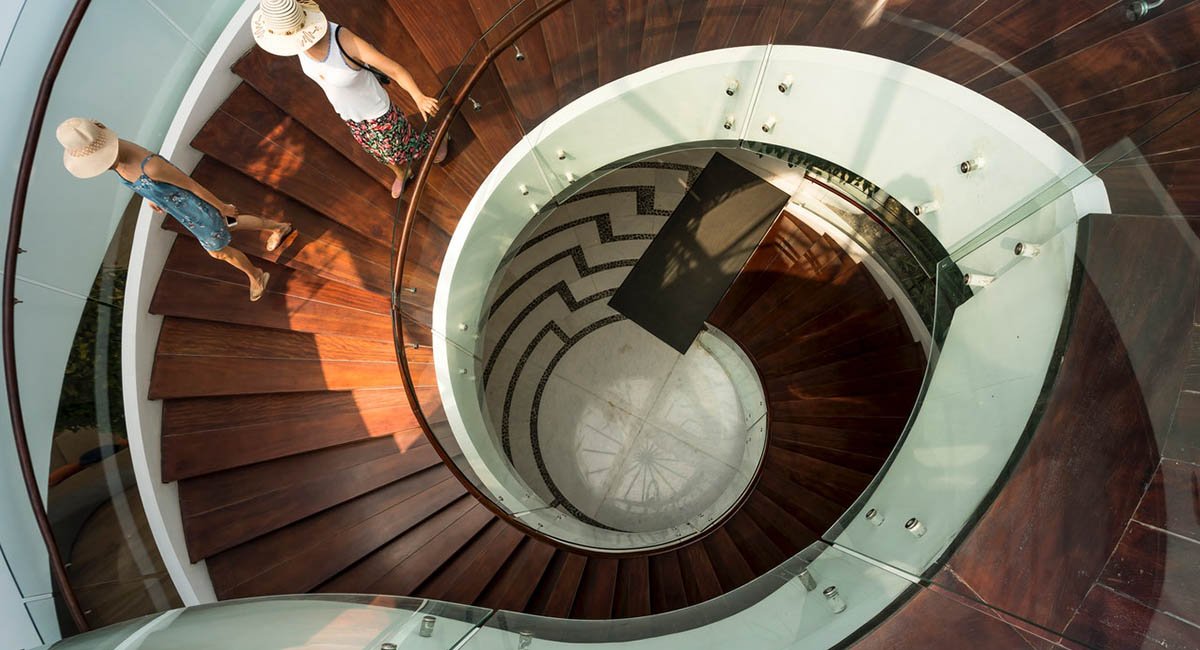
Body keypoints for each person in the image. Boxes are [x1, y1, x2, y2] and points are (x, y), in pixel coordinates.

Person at [56, 118, 293, 302]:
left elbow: (191, 185)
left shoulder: (151, 167)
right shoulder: (118, 159)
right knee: (233, 223)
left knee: (218, 251)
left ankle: (255, 275)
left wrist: (221, 206)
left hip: (197, 210)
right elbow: (142, 182)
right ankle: (278, 227)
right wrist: (150, 196)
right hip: (181, 210)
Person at [251, 0, 449, 198]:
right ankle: (402, 172)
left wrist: (418, 96)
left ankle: (437, 139)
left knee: (401, 147)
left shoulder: (344, 42)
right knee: (375, 150)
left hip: (376, 110)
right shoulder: (299, 45)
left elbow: (394, 70)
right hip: (349, 114)